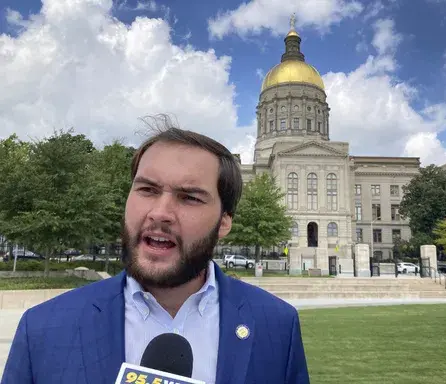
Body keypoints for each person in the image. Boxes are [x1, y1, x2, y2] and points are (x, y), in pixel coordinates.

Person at [1, 115, 310, 384]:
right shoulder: (42, 328)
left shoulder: (277, 326)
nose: (160, 212)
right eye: (147, 190)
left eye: (189, 197)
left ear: (224, 222)